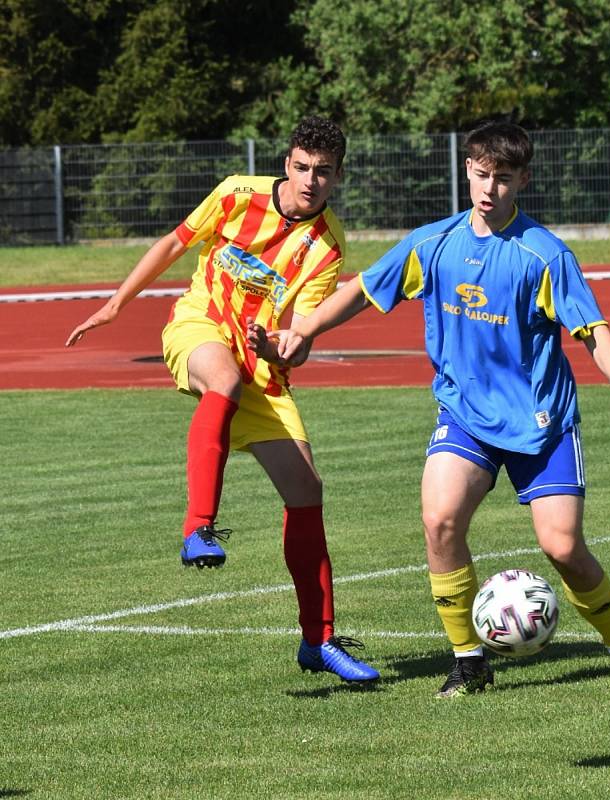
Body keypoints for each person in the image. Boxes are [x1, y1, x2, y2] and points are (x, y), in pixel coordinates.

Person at [251, 120, 610, 698]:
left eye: (503, 178)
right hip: (467, 416)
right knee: (439, 520)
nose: (489, 188)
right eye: (480, 174)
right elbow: (363, 290)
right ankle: (469, 661)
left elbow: (593, 332)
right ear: (466, 170)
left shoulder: (543, 255)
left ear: (523, 179)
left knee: (563, 547)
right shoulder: (435, 244)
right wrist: (300, 331)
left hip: (540, 422)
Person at [65, 116, 379, 684]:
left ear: (337, 176)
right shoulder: (237, 193)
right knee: (224, 380)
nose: (310, 180)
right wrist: (116, 304)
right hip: (200, 327)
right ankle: (197, 527)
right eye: (302, 167)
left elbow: (299, 341)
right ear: (287, 163)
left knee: (307, 490)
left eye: (323, 172)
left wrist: (279, 346)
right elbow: (172, 244)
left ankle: (319, 641)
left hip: (261, 367)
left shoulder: (327, 249)